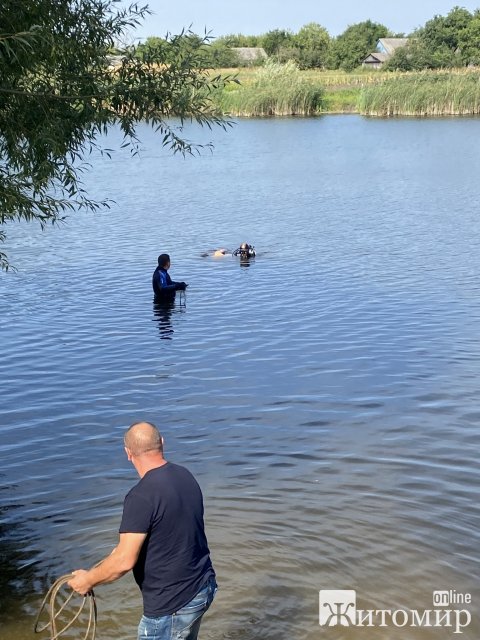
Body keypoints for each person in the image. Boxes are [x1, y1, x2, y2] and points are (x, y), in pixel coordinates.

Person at [68, 422, 217, 640]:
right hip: (202, 586)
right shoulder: (184, 475)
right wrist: (115, 556)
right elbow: (170, 532)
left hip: (172, 606)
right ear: (162, 443)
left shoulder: (140, 497)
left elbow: (123, 562)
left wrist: (87, 581)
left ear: (128, 453)